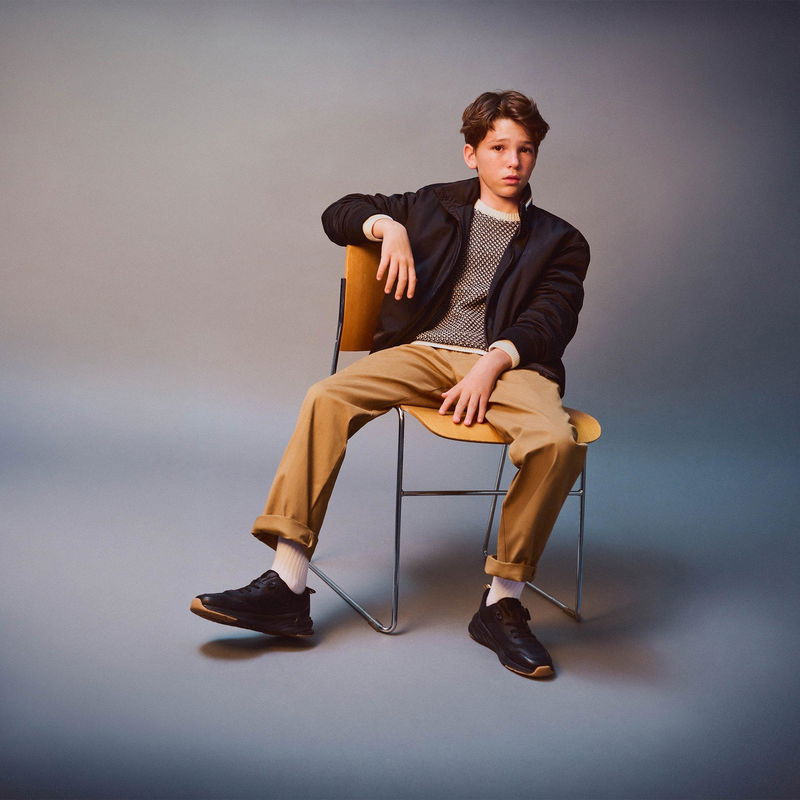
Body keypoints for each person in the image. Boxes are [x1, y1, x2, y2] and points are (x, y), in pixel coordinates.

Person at [190, 90, 590, 679]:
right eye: (498, 148)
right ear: (471, 153)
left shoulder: (561, 240)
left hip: (508, 365)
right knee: (326, 396)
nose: (513, 161)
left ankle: (502, 603)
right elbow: (339, 213)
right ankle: (287, 586)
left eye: (525, 150)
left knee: (557, 442)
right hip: (422, 353)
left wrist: (492, 362)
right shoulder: (429, 206)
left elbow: (551, 318)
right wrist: (388, 227)